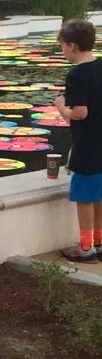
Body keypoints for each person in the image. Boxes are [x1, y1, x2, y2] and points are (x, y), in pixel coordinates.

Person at [53, 19, 102, 262]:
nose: (62, 52)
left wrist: (62, 107)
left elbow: (80, 113)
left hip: (87, 145)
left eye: (62, 46)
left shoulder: (76, 75)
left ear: (72, 46)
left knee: (84, 197)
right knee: (99, 195)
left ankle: (85, 248)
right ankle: (99, 242)